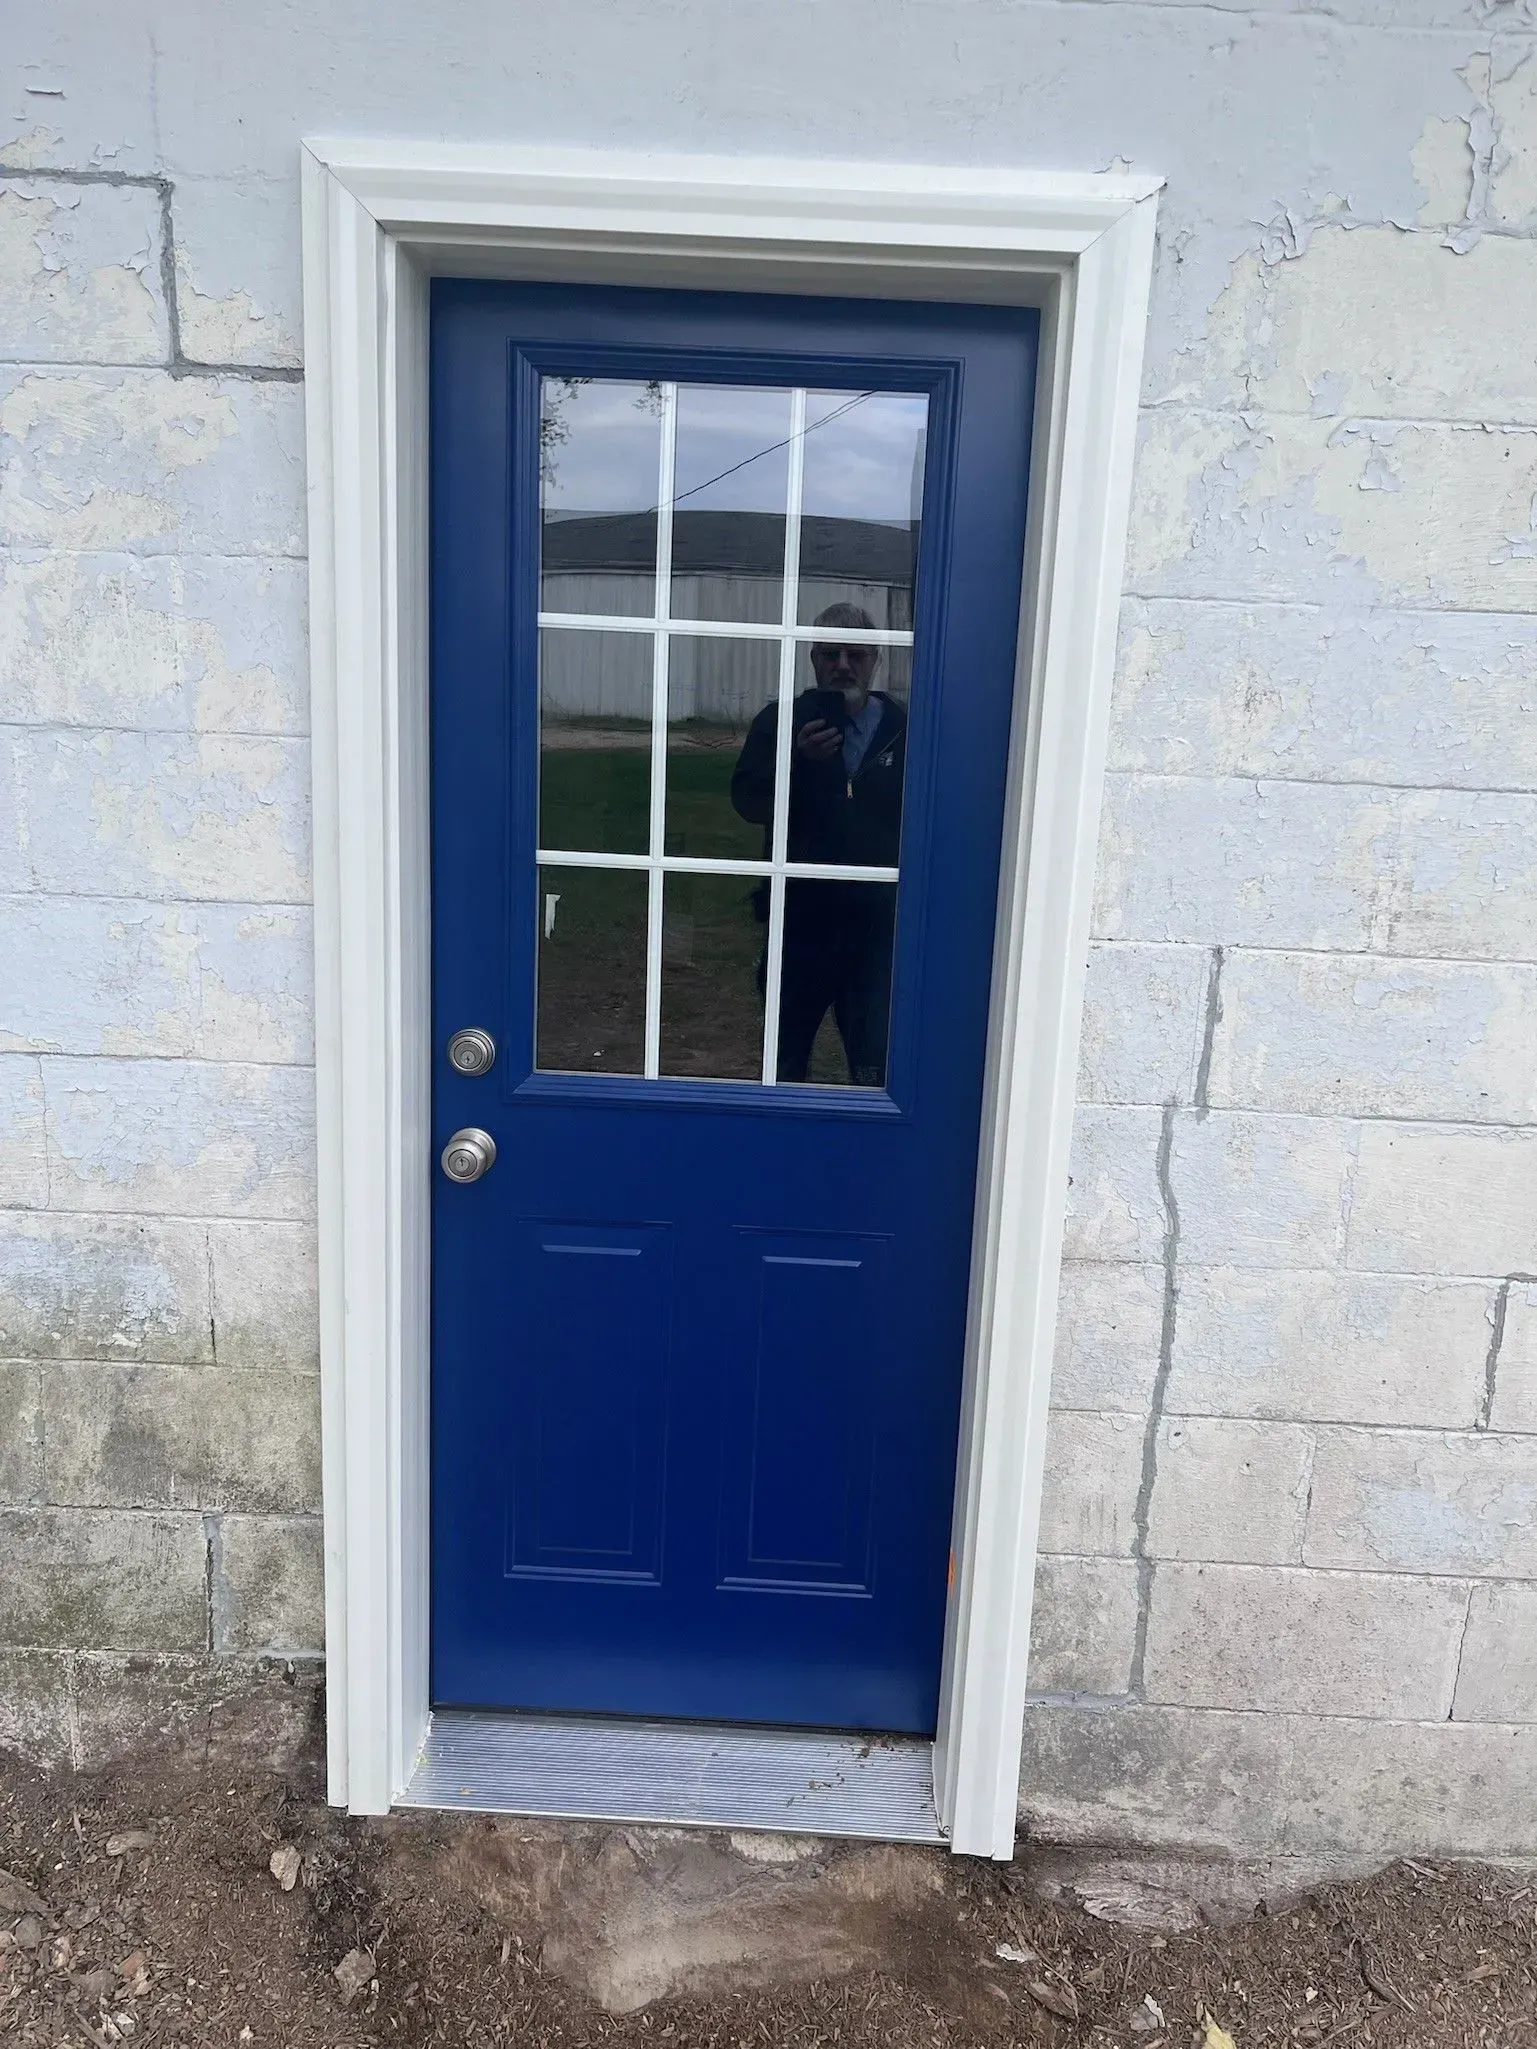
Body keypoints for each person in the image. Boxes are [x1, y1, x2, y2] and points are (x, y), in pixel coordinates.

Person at [730, 602, 906, 1084]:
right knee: (784, 1062)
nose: (843, 666)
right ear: (813, 660)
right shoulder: (779, 721)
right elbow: (749, 802)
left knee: (874, 1068)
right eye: (830, 654)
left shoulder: (904, 729)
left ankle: (868, 1157)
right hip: (798, 923)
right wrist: (799, 763)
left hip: (876, 926)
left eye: (856, 655)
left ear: (877, 661)